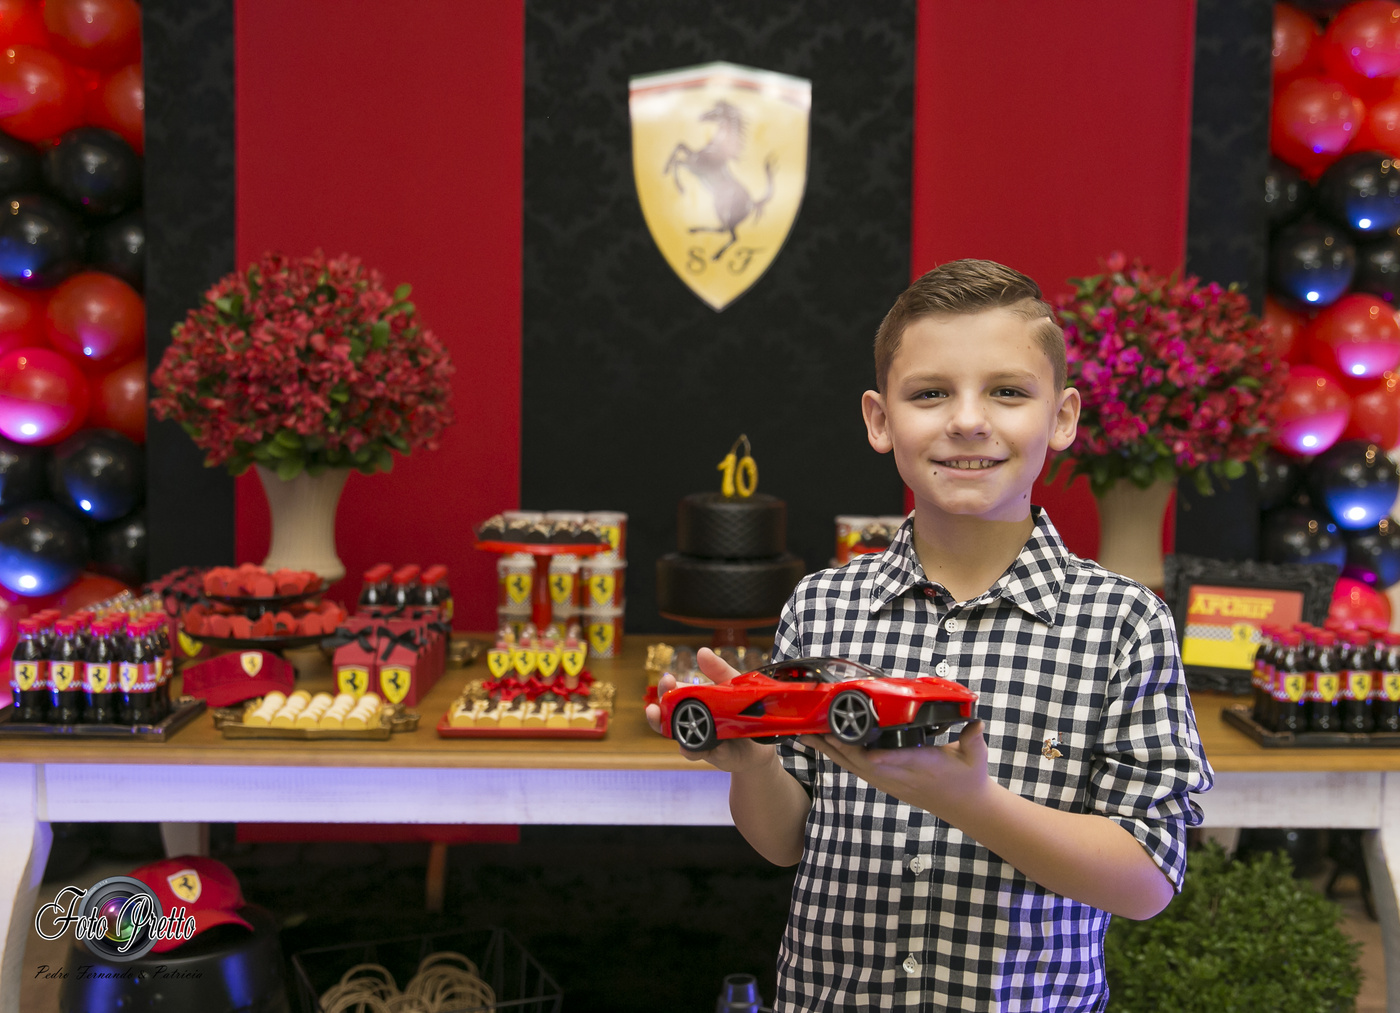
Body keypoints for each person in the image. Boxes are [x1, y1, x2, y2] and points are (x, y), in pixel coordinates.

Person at [645, 259, 1214, 1011]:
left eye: (1007, 391)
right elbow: (784, 841)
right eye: (930, 393)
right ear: (880, 420)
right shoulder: (822, 604)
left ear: (1063, 417)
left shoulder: (1124, 624)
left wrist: (971, 801)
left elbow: (1146, 882)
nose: (968, 420)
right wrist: (751, 766)